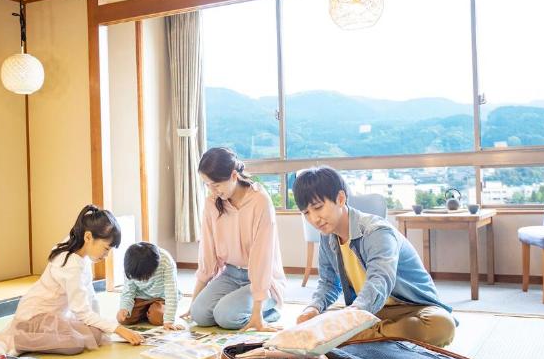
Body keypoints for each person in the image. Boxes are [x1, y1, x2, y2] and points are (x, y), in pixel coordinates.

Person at [293, 166, 456, 347]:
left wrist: (350, 317)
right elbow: (329, 283)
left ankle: (351, 336)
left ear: (340, 198)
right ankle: (367, 335)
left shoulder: (376, 231)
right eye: (306, 213)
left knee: (441, 326)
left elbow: (380, 281)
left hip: (411, 308)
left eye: (318, 207)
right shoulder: (327, 236)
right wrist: (313, 308)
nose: (314, 219)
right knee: (316, 320)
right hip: (369, 310)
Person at [0, 205, 144, 355]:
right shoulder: (71, 264)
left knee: (96, 335)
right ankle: (20, 341)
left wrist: (107, 327)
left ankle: (30, 339)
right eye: (106, 249)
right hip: (34, 317)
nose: (106, 256)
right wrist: (118, 329)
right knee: (74, 344)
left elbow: (90, 296)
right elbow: (82, 312)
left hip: (55, 317)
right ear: (88, 237)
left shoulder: (81, 249)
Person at [186, 147, 287, 331]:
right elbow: (207, 254)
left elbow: (262, 259)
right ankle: (236, 305)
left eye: (215, 185)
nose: (212, 191)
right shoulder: (212, 203)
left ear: (234, 176)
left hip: (263, 279)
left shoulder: (260, 201)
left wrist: (257, 316)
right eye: (207, 185)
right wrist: (192, 304)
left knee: (225, 317)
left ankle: (267, 311)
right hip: (230, 274)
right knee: (199, 314)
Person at [117, 241, 183, 330]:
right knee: (124, 319)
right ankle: (147, 312)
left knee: (158, 318)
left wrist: (169, 321)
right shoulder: (131, 264)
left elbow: (171, 292)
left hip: (161, 297)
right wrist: (124, 308)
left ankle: (151, 311)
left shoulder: (165, 261)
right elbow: (128, 290)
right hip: (140, 297)